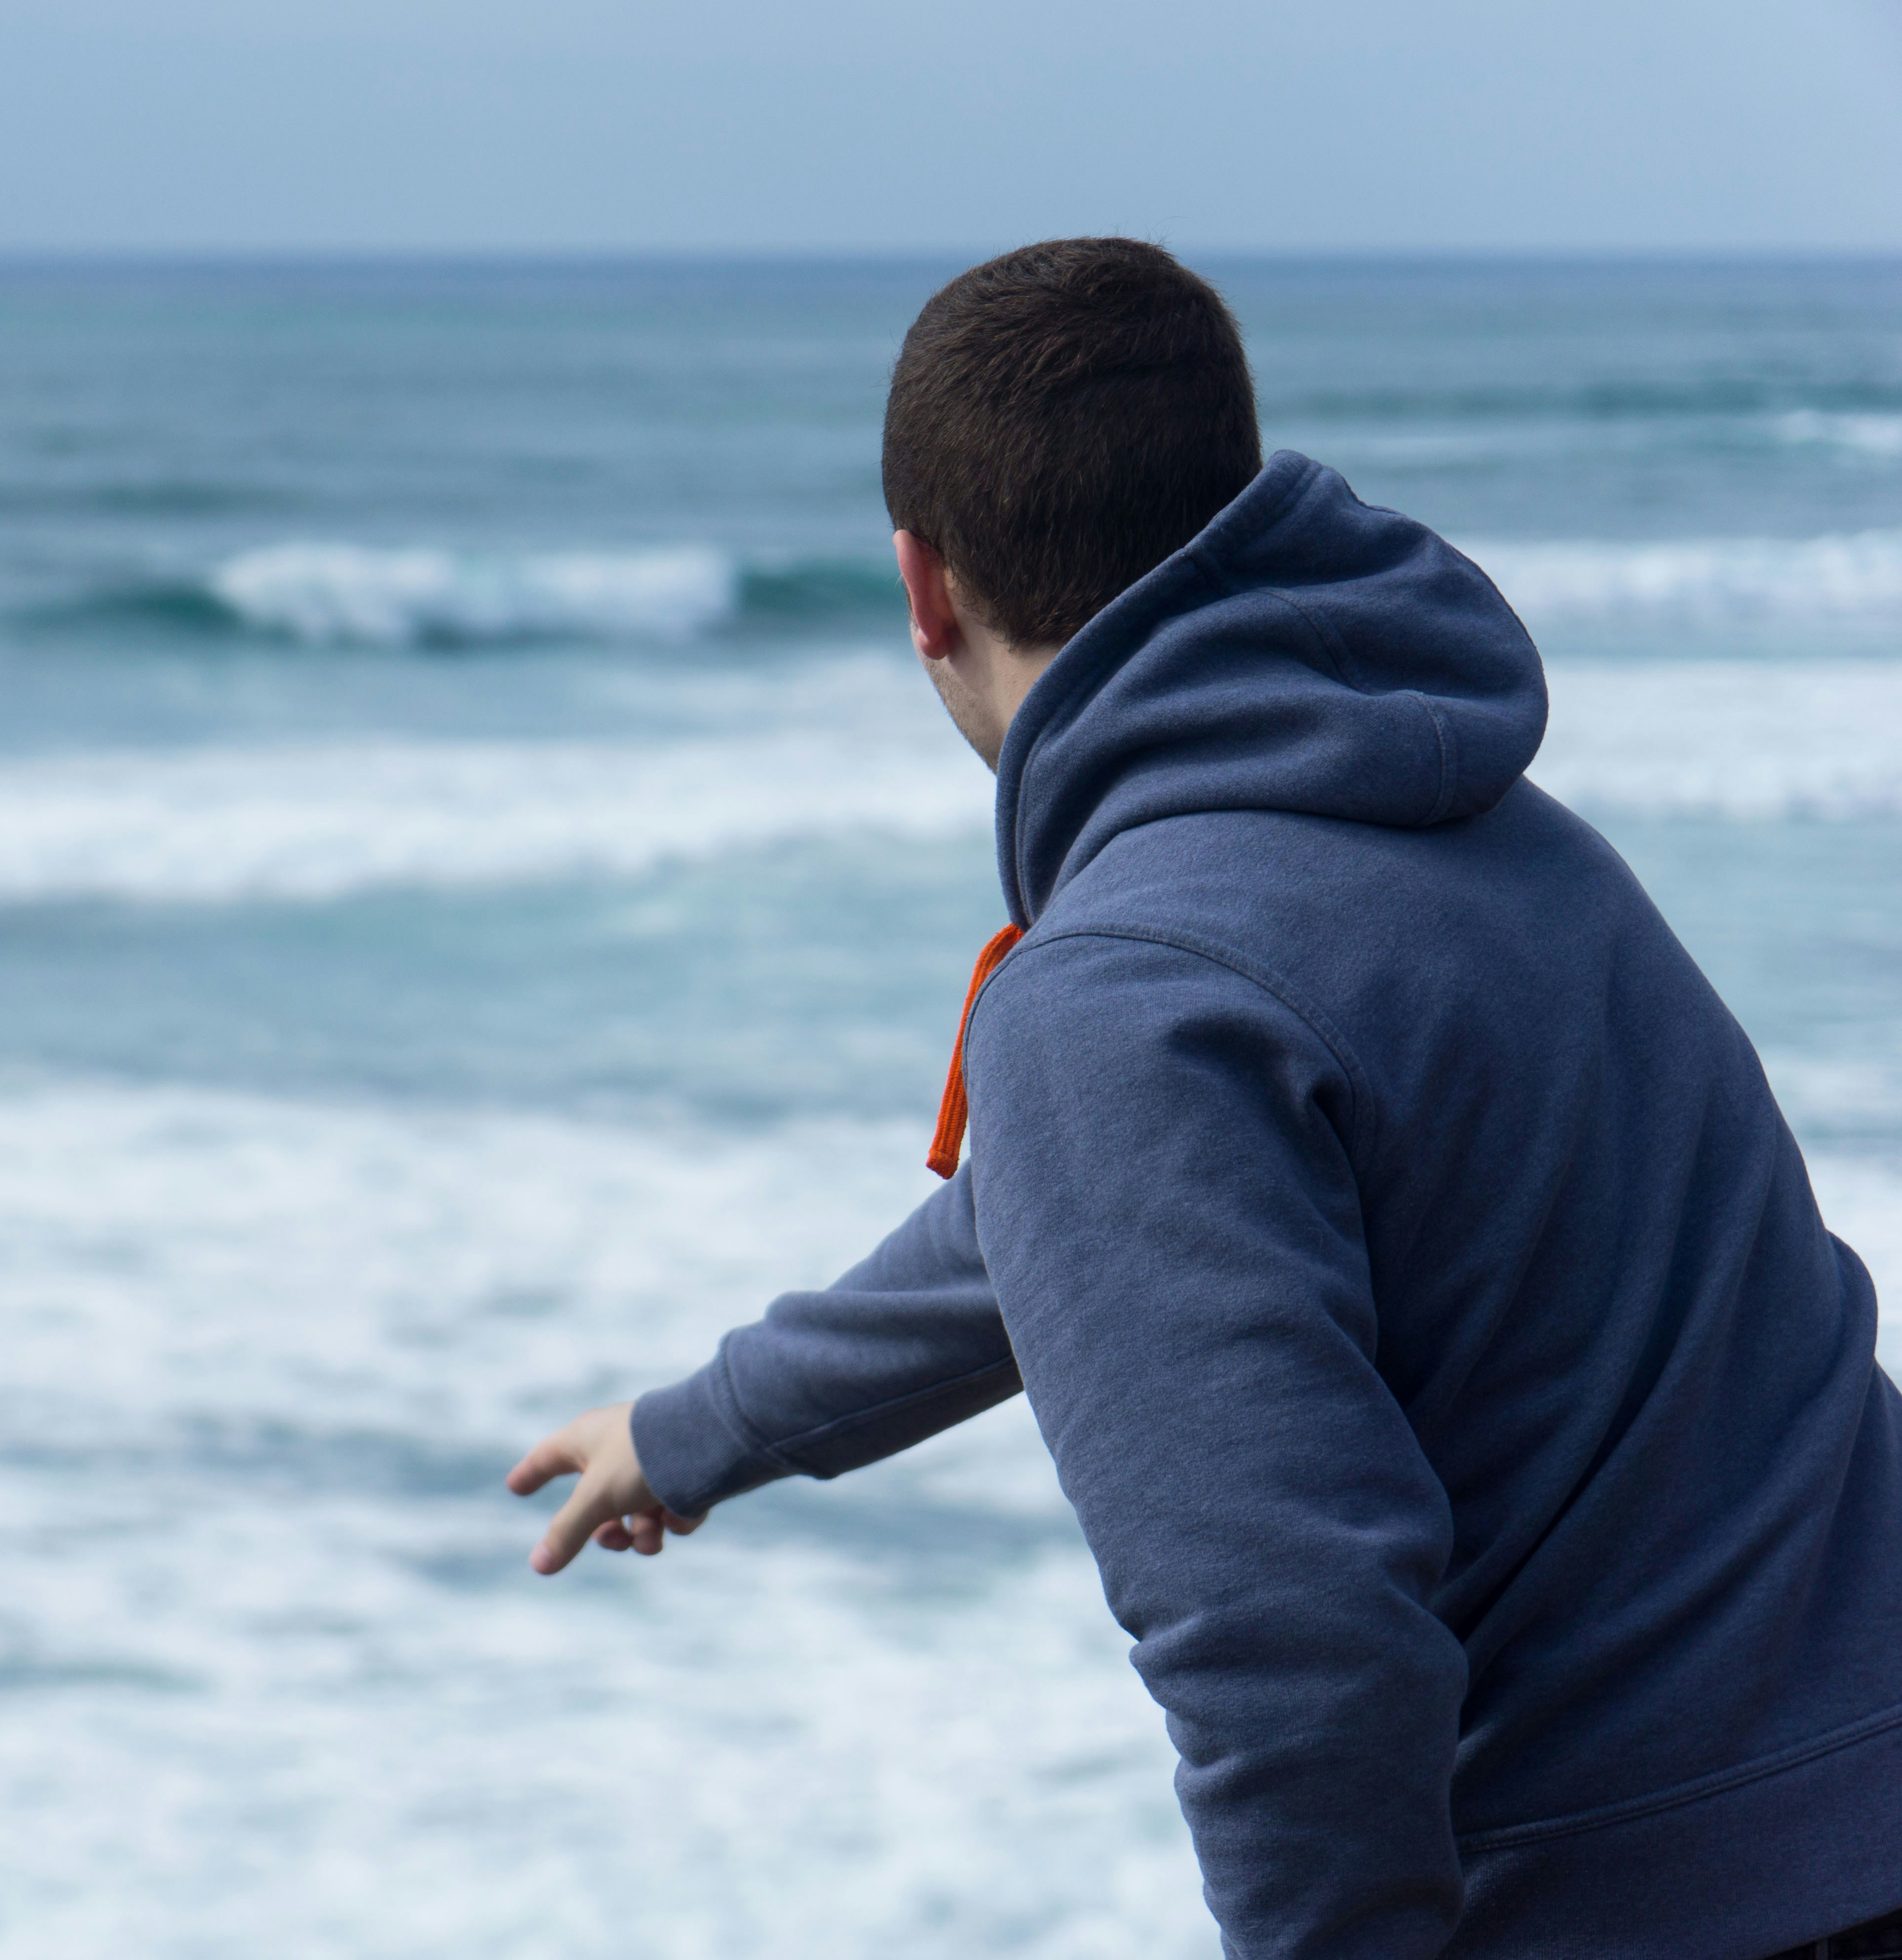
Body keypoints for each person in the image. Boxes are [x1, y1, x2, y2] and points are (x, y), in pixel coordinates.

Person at [505, 239, 1902, 1960]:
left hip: (1670, 1908)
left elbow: (1296, 1646)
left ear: (922, 588)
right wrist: (701, 1424)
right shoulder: (1480, 829)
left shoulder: (1129, 1002)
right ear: (1223, 504)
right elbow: (1083, 1220)